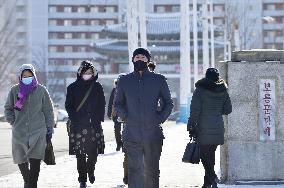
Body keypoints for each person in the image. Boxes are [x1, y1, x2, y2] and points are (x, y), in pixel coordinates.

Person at [114, 47, 173, 188]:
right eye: (137, 57)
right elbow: (118, 104)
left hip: (153, 134)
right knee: (135, 170)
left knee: (151, 169)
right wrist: (127, 117)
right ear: (133, 60)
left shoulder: (158, 80)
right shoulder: (124, 81)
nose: (140, 60)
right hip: (131, 134)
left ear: (148, 60)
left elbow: (168, 103)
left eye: (143, 57)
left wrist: (158, 119)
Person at [4, 64, 55, 188]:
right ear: (20, 77)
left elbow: (48, 110)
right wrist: (12, 121)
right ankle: (28, 182)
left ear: (33, 75)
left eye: (29, 75)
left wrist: (49, 127)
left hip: (38, 131)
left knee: (35, 160)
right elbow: (8, 108)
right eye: (24, 75)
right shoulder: (15, 90)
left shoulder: (41, 90)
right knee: (20, 159)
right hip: (19, 131)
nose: (27, 77)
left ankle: (32, 185)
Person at [187, 68, 232, 188]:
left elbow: (194, 111)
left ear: (206, 77)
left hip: (203, 128)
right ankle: (207, 184)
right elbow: (228, 110)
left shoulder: (199, 90)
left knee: (205, 156)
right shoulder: (223, 91)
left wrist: (191, 126)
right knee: (210, 155)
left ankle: (212, 178)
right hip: (217, 127)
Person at [65, 60, 105, 188]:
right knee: (80, 155)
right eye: (85, 72)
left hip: (94, 125)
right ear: (80, 73)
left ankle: (91, 170)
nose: (88, 74)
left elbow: (102, 104)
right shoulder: (72, 87)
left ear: (94, 74)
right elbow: (69, 106)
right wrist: (75, 118)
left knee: (93, 153)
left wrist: (97, 119)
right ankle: (82, 179)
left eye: (90, 73)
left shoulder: (98, 87)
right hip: (78, 125)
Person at [107, 79, 123, 151]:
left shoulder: (128, 90)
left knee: (125, 130)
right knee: (117, 130)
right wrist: (109, 112)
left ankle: (124, 144)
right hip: (116, 113)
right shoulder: (114, 90)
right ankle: (119, 144)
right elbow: (110, 102)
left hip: (125, 113)